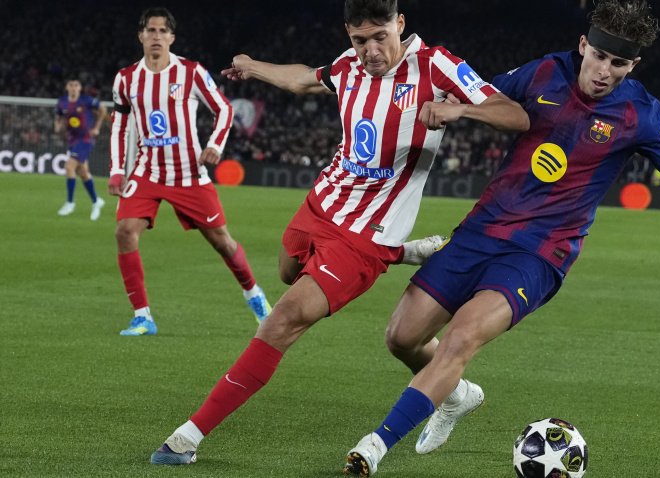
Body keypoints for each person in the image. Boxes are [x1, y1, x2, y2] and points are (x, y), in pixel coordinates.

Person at [342, 0, 660, 475]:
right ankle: (458, 396)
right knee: (402, 337)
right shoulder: (542, 74)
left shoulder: (640, 114)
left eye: (618, 64)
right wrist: (460, 110)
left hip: (540, 253)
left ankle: (374, 445)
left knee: (460, 340)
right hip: (480, 230)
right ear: (583, 45)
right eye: (598, 56)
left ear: (632, 65)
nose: (603, 71)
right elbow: (489, 98)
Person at [147, 0, 529, 466]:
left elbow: (515, 115)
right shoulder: (348, 66)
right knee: (288, 272)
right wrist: (252, 66)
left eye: (379, 37)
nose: (370, 50)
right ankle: (404, 257)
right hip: (321, 204)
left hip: (364, 234)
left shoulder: (436, 65)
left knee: (283, 319)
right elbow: (304, 77)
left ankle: (188, 437)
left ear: (400, 24)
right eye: (359, 40)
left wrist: (460, 111)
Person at [109, 7, 273, 336]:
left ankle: (254, 295)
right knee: (124, 231)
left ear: (171, 37)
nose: (156, 36)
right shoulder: (126, 79)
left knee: (223, 243)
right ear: (141, 35)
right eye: (150, 30)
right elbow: (119, 125)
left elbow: (223, 109)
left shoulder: (191, 72)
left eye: (162, 31)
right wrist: (116, 170)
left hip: (189, 174)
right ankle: (143, 317)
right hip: (147, 172)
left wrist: (215, 144)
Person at [55, 78, 108, 220]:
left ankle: (70, 203)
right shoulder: (62, 102)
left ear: (80, 88)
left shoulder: (86, 100)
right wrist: (57, 124)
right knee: (83, 173)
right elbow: (58, 115)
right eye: (71, 85)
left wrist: (96, 128)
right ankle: (96, 201)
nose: (73, 87)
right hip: (72, 139)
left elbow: (103, 109)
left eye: (76, 85)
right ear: (67, 87)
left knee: (69, 166)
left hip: (85, 139)